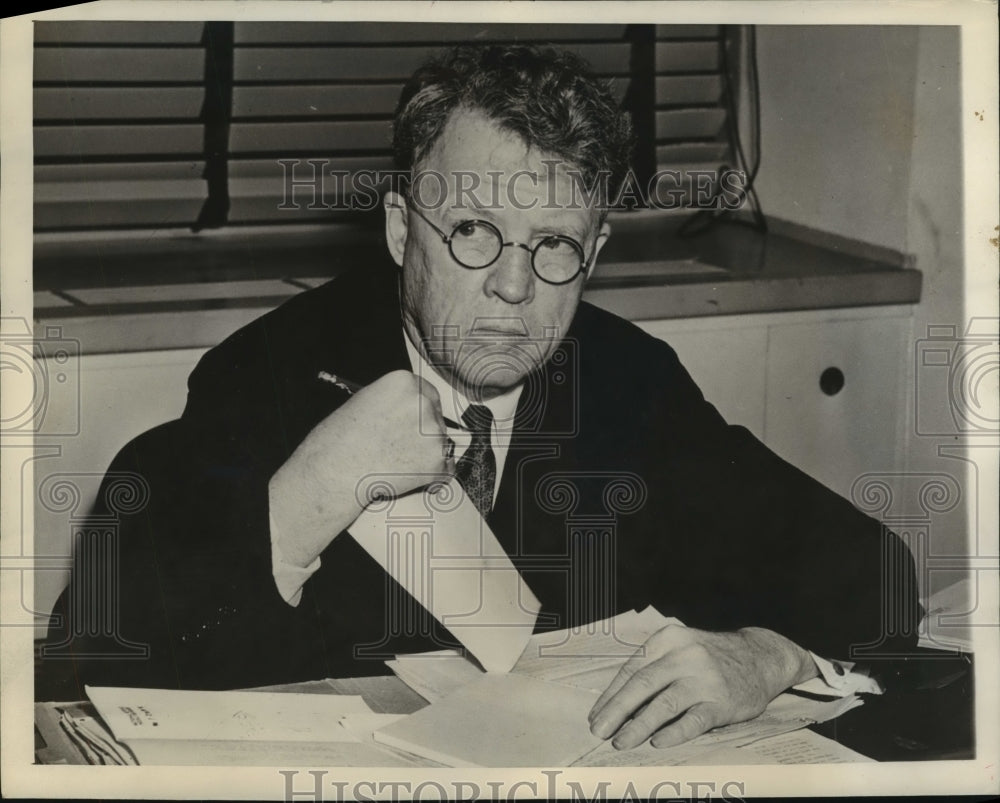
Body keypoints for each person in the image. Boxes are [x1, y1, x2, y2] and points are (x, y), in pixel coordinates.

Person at [41, 44, 920, 752]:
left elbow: (874, 570)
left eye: (554, 244)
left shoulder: (627, 379)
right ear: (399, 228)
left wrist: (761, 656)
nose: (513, 286)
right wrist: (306, 493)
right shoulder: (268, 373)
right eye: (473, 231)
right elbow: (91, 661)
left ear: (597, 249)